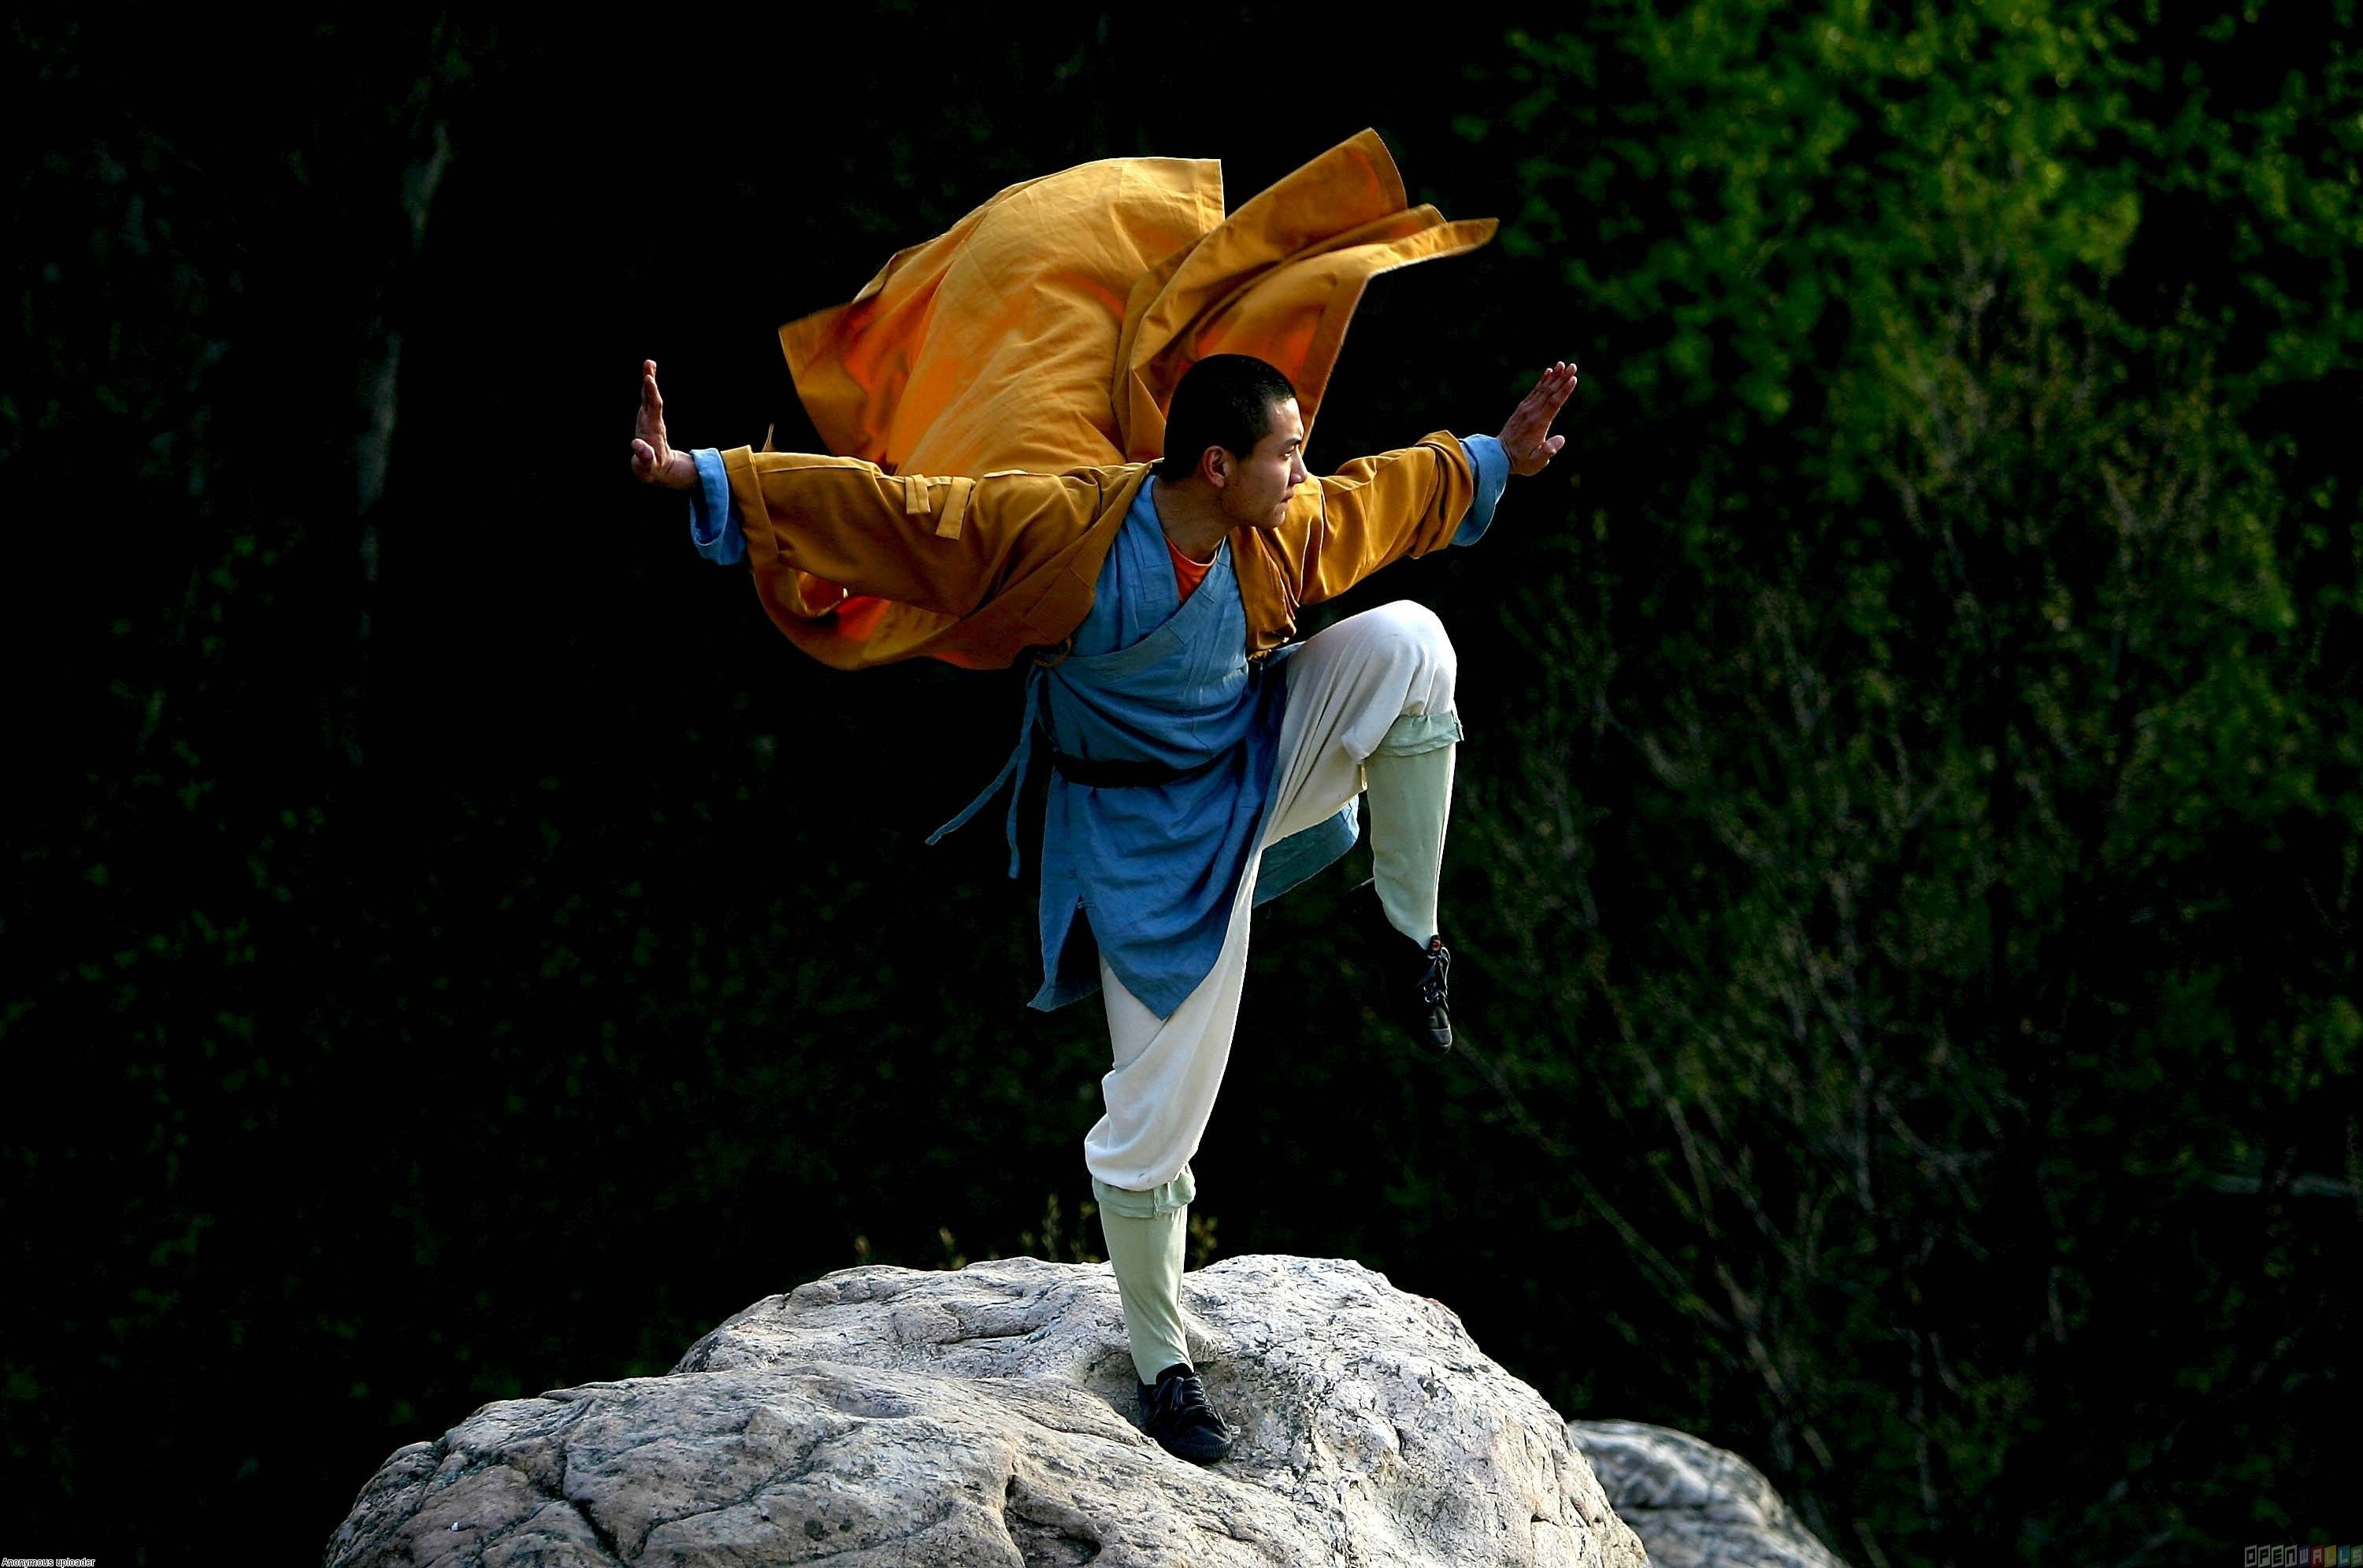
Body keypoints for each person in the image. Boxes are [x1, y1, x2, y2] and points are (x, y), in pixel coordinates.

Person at [629, 136, 1574, 1465]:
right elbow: (902, 515)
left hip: (1258, 762)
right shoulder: (1064, 528)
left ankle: (1411, 930)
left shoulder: (1278, 531)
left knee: (1414, 644)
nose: (1303, 471)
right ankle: (1163, 1362)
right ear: (1213, 467)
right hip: (1136, 840)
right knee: (1150, 1123)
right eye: (1284, 453)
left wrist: (1495, 458)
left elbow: (1389, 495)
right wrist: (701, 476)